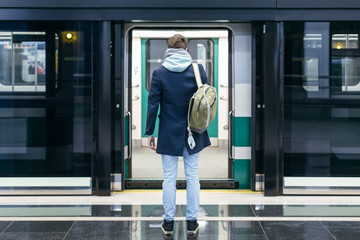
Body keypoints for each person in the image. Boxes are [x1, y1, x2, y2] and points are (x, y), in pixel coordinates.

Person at [145, 34, 211, 238]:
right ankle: (192, 223)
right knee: (193, 177)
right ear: (186, 48)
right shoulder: (198, 70)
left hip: (168, 131)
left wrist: (149, 132)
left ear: (168, 49)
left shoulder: (159, 73)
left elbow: (153, 104)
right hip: (194, 130)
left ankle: (168, 222)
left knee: (168, 179)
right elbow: (207, 98)